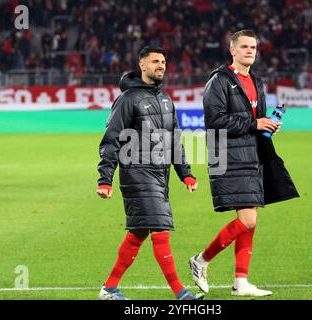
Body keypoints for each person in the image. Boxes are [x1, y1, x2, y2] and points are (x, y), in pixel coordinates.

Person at [189, 30, 299, 297]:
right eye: (245, 47)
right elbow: (214, 121)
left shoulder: (256, 81)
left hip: (252, 154)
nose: (250, 51)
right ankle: (201, 260)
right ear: (233, 50)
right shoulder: (219, 81)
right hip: (228, 157)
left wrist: (267, 126)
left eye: (254, 47)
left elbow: (256, 120)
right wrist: (254, 123)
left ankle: (241, 282)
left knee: (250, 219)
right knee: (248, 218)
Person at [96, 46, 204, 300]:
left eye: (164, 61)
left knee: (138, 232)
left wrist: (185, 173)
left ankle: (109, 288)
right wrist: (105, 178)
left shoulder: (165, 99)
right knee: (160, 228)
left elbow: (175, 139)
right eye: (155, 61)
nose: (161, 65)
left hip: (160, 175)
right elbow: (112, 139)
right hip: (137, 173)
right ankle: (180, 292)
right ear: (142, 65)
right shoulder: (127, 99)